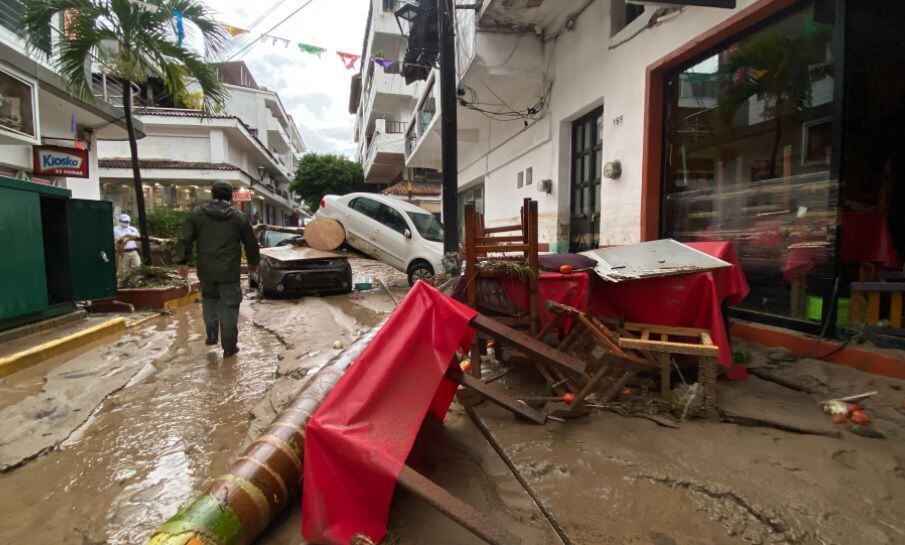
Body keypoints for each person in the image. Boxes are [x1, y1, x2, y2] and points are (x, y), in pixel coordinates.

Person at [175, 180, 260, 358]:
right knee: (229, 306)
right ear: (231, 196)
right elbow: (250, 243)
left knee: (209, 300)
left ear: (212, 194)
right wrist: (253, 263)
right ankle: (229, 347)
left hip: (205, 270)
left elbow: (184, 239)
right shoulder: (238, 217)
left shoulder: (197, 214)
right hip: (229, 272)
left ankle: (212, 334)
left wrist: (182, 262)